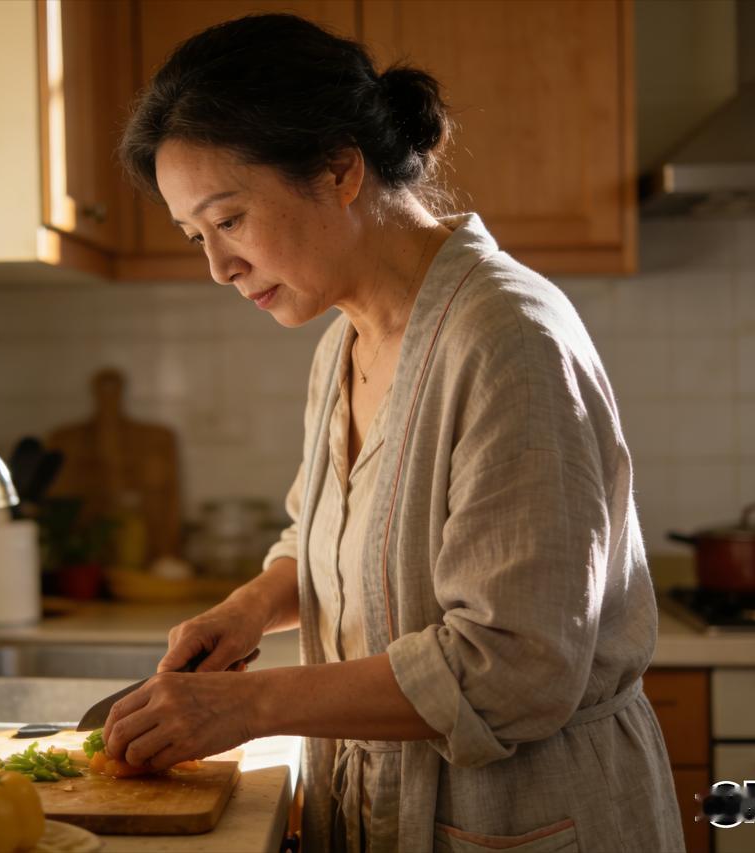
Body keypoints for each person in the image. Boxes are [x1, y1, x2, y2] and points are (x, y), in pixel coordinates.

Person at [103, 13, 684, 852]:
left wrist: (248, 704)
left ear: (340, 169)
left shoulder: (508, 340)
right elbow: (328, 537)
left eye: (229, 220)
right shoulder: (346, 336)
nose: (218, 268)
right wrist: (249, 607)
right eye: (196, 236)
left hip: (525, 816)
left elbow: (515, 667)